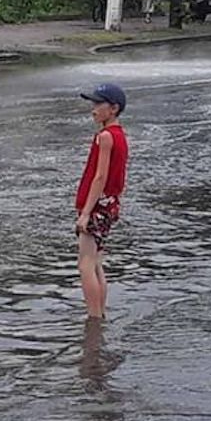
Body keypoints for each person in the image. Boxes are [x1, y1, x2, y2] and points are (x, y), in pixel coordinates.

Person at [76, 83, 130, 319]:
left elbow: (100, 177)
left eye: (99, 104)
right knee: (96, 262)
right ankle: (100, 313)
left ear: (114, 109)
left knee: (85, 264)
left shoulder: (105, 136)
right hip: (109, 205)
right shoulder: (120, 135)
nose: (93, 109)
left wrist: (86, 212)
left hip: (97, 207)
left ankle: (94, 318)